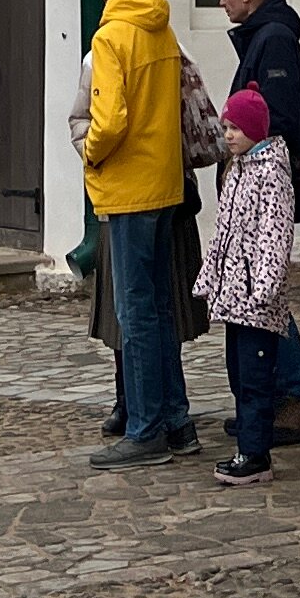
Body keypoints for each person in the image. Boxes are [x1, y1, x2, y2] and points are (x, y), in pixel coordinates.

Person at [79, 0, 199, 462]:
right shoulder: (161, 27)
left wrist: (91, 153)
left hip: (128, 187)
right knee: (159, 307)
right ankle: (177, 422)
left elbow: (109, 121)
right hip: (165, 182)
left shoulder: (112, 37)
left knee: (135, 312)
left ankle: (146, 429)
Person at [71, 39, 216, 441]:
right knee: (157, 308)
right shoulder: (171, 43)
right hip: (169, 192)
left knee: (136, 310)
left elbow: (101, 124)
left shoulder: (109, 47)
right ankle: (169, 416)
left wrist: (97, 161)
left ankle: (147, 419)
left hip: (132, 198)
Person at [217, 0, 300, 444]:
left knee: (265, 293)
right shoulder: (262, 36)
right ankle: (274, 401)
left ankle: (298, 399)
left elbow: (275, 120)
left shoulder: (274, 40)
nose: (220, 0)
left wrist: (250, 170)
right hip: (254, 183)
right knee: (258, 293)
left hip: (267, 187)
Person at [196, 86, 297, 486]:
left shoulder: (271, 173)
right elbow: (223, 233)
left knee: (255, 378)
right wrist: (210, 277)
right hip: (233, 297)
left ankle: (255, 455)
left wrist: (265, 288)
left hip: (256, 299)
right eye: (226, 127)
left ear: (255, 129)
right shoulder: (237, 169)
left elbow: (275, 234)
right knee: (238, 373)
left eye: (236, 127)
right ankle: (248, 445)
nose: (229, 134)